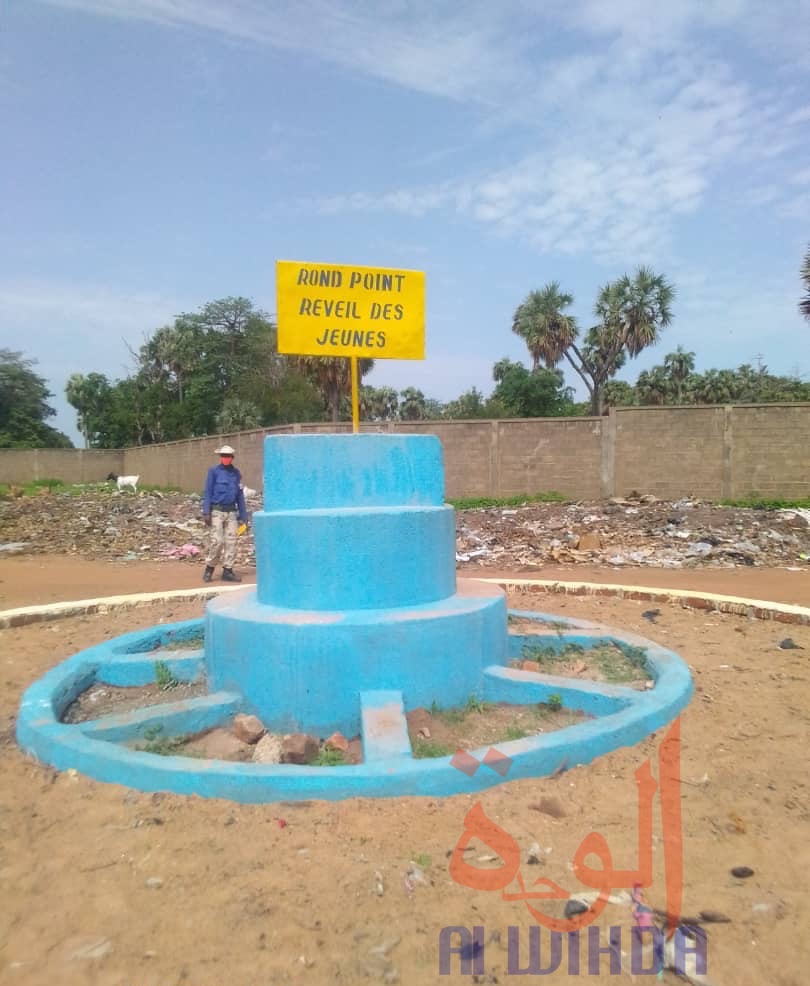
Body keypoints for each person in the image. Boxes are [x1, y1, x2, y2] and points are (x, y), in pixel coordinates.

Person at [201, 444, 248, 582]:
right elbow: (208, 491)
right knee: (217, 541)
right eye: (223, 456)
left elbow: (240, 495)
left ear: (232, 458)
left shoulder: (236, 474)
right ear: (220, 457)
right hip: (217, 511)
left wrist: (243, 516)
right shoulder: (213, 471)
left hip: (231, 512)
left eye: (227, 456)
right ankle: (209, 568)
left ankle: (228, 571)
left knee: (231, 542)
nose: (225, 458)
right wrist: (206, 512)